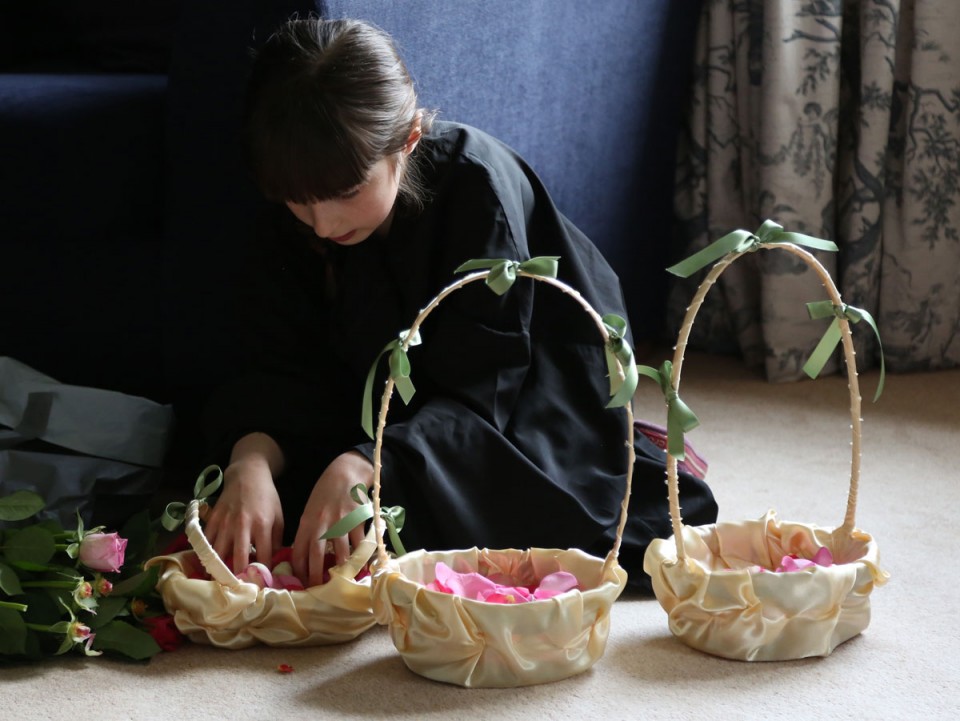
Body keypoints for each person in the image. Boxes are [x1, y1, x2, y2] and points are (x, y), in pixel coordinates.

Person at [202, 16, 717, 590]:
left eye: (346, 195)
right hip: (375, 389)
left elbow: (484, 389)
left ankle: (639, 446)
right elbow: (278, 355)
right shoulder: (303, 184)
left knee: (577, 530)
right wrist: (250, 459)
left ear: (409, 141)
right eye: (299, 203)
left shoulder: (475, 191)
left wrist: (366, 464)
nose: (321, 224)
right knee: (268, 502)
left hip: (516, 386)